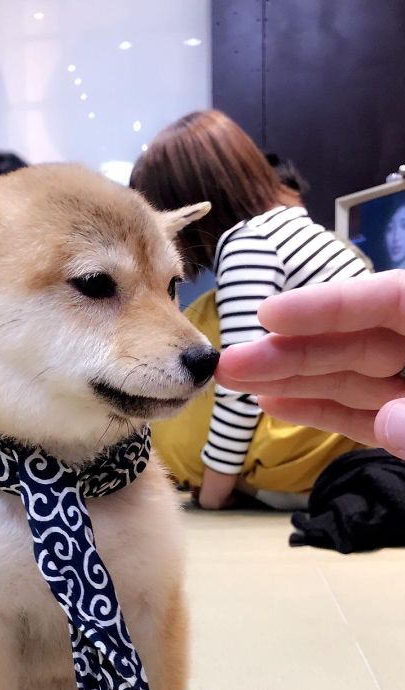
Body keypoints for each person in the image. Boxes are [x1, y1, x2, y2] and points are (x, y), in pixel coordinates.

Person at [130, 110, 370, 510]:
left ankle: (259, 480)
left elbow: (243, 385)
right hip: (352, 426)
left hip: (317, 442)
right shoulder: (294, 227)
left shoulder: (250, 244)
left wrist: (213, 494)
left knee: (204, 320)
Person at [215, 269, 405, 510]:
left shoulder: (246, 243)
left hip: (363, 402)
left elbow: (239, 391)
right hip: (376, 393)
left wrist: (215, 485)